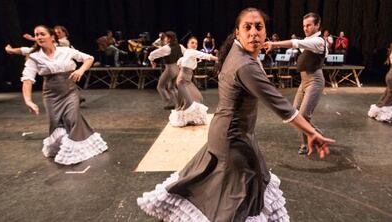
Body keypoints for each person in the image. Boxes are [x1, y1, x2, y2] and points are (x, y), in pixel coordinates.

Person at [138, 8, 335, 221]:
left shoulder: (235, 51)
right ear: (238, 32)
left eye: (258, 27)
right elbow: (282, 107)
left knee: (225, 188)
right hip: (233, 138)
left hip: (229, 133)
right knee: (238, 202)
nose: (253, 33)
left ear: (265, 31)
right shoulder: (246, 66)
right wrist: (311, 132)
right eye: (247, 27)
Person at [21, 25, 107, 165]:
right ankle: (62, 147)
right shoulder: (34, 57)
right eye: (36, 35)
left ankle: (75, 152)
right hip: (51, 95)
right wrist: (28, 100)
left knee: (71, 118)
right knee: (56, 122)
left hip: (70, 91)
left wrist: (80, 71)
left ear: (52, 36)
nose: (39, 37)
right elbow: (27, 79)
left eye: (42, 34)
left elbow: (89, 58)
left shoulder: (66, 51)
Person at [265, 12, 328, 155]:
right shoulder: (308, 40)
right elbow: (298, 45)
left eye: (309, 25)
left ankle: (305, 144)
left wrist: (274, 44)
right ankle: (317, 135)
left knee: (304, 116)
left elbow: (296, 43)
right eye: (304, 26)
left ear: (317, 25)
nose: (305, 28)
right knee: (293, 115)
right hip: (304, 81)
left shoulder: (318, 41)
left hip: (315, 81)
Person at [169, 36, 218, 127]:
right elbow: (205, 55)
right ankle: (181, 119)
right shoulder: (190, 51)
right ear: (187, 44)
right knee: (188, 102)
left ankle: (186, 117)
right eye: (192, 43)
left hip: (187, 81)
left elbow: (182, 60)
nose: (194, 44)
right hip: (182, 80)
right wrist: (217, 59)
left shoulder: (189, 54)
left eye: (196, 43)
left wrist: (180, 62)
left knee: (198, 98)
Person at [148, 31, 186, 110]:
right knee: (171, 87)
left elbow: (152, 54)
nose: (164, 39)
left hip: (170, 69)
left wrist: (151, 61)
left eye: (165, 38)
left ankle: (170, 102)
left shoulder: (167, 48)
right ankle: (179, 103)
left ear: (168, 38)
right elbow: (186, 54)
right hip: (178, 69)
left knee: (160, 86)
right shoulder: (180, 46)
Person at [368, 42, 392, 123]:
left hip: (389, 75)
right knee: (389, 95)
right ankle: (382, 113)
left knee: (388, 93)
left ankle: (377, 109)